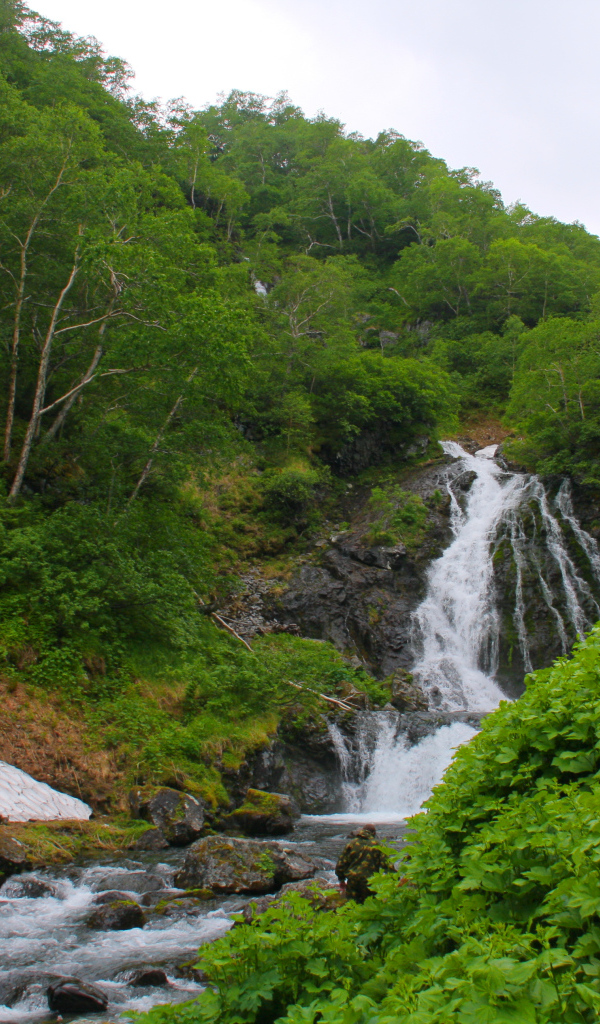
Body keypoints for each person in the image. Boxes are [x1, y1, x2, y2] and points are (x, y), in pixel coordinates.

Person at [335, 823, 391, 903]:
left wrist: (341, 880)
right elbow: (387, 865)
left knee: (352, 906)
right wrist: (395, 880)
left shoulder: (351, 844)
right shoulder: (378, 845)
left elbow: (341, 864)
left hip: (353, 880)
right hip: (370, 881)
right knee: (370, 907)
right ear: (374, 833)